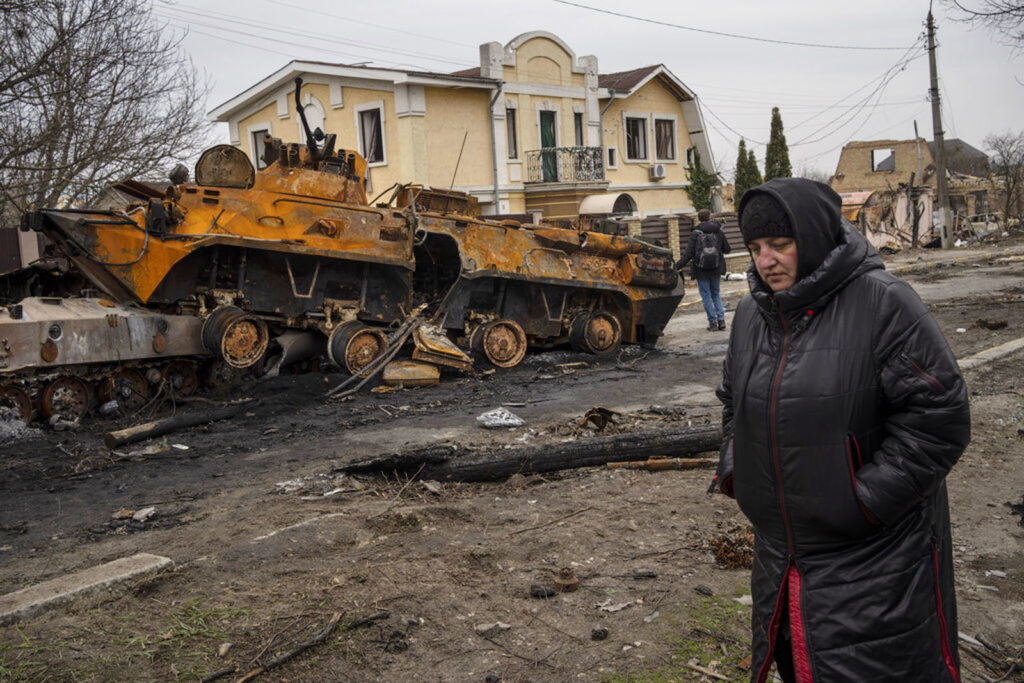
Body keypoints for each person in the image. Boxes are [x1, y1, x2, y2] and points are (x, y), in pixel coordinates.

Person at [711, 178, 970, 682]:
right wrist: (736, 470)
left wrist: (861, 501)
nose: (766, 260)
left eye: (781, 245)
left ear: (814, 238)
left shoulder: (883, 303)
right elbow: (731, 405)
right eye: (757, 248)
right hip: (780, 562)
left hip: (874, 564)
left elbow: (939, 418)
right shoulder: (751, 313)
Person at [676, 208, 731, 330]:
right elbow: (727, 249)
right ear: (710, 217)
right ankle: (721, 321)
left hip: (701, 270)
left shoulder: (695, 233)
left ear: (699, 219)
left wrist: (676, 267)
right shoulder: (718, 231)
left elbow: (688, 254)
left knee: (706, 296)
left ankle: (712, 323)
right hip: (716, 268)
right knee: (716, 294)